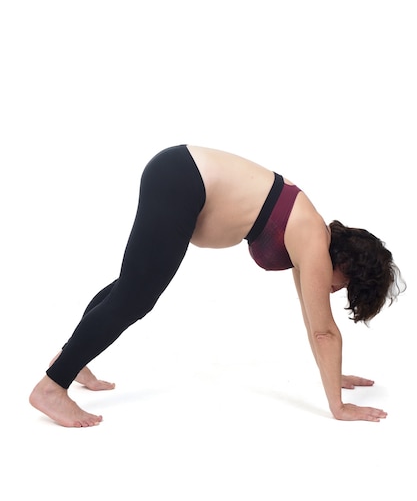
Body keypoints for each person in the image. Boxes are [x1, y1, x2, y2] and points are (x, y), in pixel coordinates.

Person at [29, 144, 405, 427]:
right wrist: (337, 407)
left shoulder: (309, 235)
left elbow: (313, 320)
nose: (334, 291)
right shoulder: (312, 239)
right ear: (347, 265)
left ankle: (70, 361)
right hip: (183, 180)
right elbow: (326, 332)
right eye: (344, 287)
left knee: (130, 288)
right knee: (136, 295)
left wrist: (332, 376)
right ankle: (51, 387)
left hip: (178, 173)